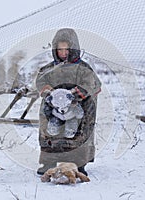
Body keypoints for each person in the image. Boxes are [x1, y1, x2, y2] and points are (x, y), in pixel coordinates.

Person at [35, 28, 102, 176]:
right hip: (55, 107)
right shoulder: (49, 68)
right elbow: (41, 81)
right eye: (60, 49)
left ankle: (79, 163)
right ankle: (48, 162)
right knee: (50, 131)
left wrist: (72, 96)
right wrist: (49, 91)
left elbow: (90, 84)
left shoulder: (84, 68)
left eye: (67, 49)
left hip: (79, 106)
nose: (63, 53)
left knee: (79, 132)